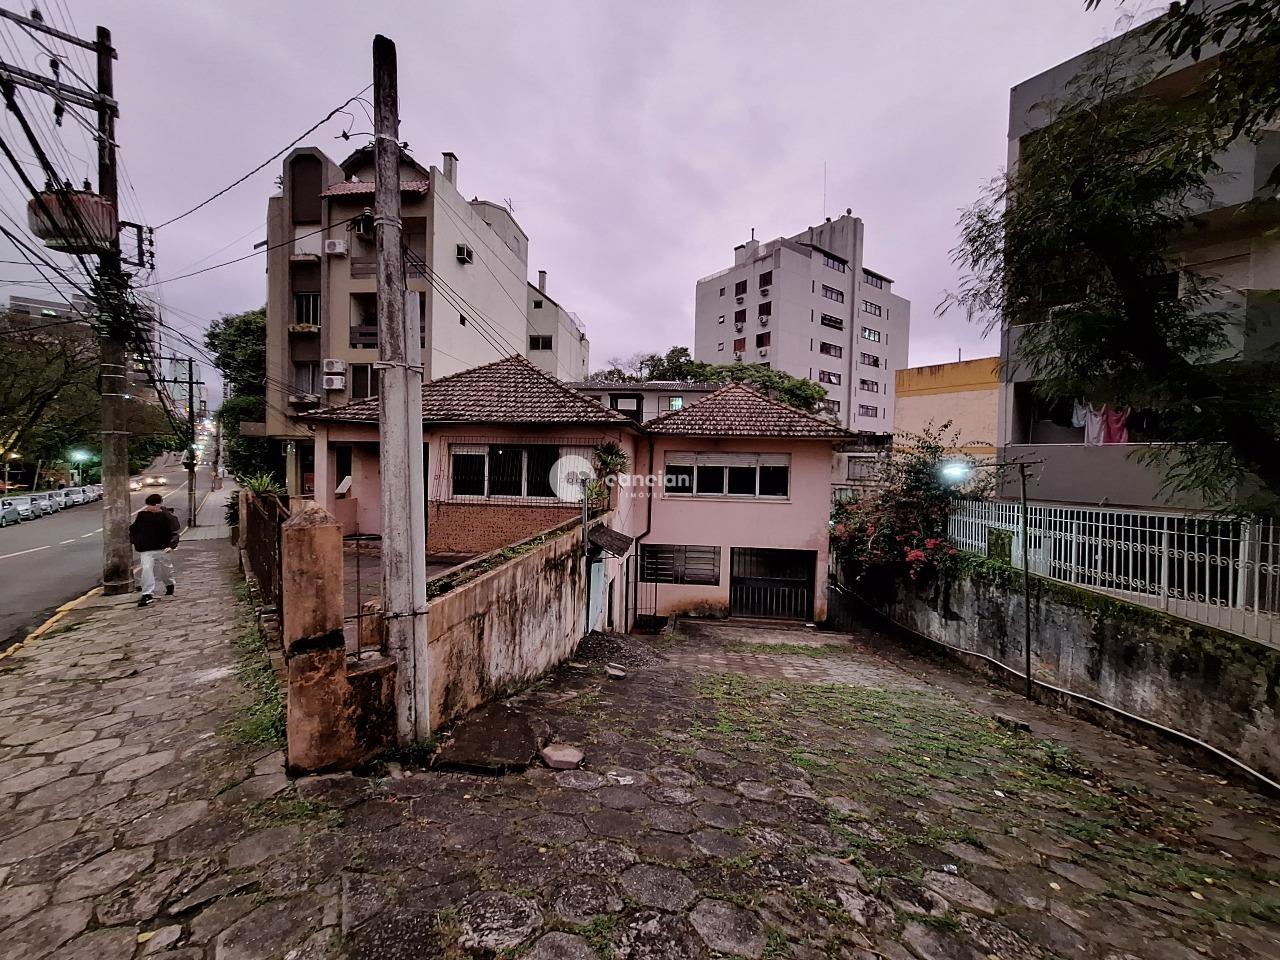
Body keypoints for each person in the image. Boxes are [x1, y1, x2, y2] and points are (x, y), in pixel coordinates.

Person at [129, 493, 180, 607]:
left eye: (152, 505)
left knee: (166, 569)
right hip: (146, 548)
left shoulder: (167, 517)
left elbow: (174, 532)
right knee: (146, 569)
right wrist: (135, 540)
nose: (149, 508)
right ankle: (147, 593)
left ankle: (169, 584)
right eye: (148, 505)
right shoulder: (142, 515)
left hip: (163, 548)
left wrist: (171, 545)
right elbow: (134, 529)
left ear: (158, 505)